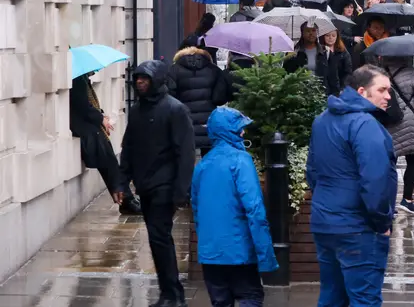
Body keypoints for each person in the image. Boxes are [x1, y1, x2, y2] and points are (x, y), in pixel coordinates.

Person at [307, 65, 397, 306]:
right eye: (382, 90)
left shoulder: (321, 121)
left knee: (331, 295)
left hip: (325, 222)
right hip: (358, 227)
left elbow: (313, 172)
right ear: (361, 91)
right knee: (364, 298)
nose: (388, 96)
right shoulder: (365, 125)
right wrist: (382, 222)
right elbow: (375, 180)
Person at [119, 60, 196, 307]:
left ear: (158, 80)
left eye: (145, 78)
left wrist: (180, 191)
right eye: (137, 78)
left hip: (165, 185)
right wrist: (121, 183)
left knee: (159, 237)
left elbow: (185, 154)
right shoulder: (137, 111)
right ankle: (170, 293)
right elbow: (128, 148)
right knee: (157, 239)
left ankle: (173, 295)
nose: (140, 82)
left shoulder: (175, 110)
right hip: (145, 185)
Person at [191, 107, 278, 307]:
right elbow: (255, 210)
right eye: (240, 129)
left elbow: (196, 210)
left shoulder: (202, 166)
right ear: (230, 132)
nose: (243, 132)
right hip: (239, 252)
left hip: (211, 252)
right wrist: (266, 255)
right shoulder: (241, 161)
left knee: (221, 302)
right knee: (251, 297)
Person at [70, 73, 141, 215]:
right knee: (109, 162)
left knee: (111, 162)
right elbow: (83, 106)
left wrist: (102, 116)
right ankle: (125, 198)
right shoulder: (78, 80)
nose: (95, 72)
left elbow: (89, 106)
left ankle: (125, 198)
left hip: (90, 128)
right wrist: (101, 119)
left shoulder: (82, 79)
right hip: (85, 130)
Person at [382, 57, 414, 214]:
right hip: (409, 121)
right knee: (413, 160)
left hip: (387, 122)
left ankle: (388, 204)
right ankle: (407, 200)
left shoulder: (379, 73)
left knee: (389, 164)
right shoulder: (411, 73)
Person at [168, 47, 231, 157]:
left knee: (185, 156)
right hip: (207, 122)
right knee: (209, 156)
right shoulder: (214, 70)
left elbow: (170, 97)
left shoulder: (173, 70)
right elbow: (219, 99)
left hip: (184, 121)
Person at [283, 22, 331, 93]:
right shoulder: (295, 52)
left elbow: (332, 76)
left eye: (313, 30)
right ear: (302, 33)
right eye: (308, 31)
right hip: (300, 94)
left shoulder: (325, 51)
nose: (311, 33)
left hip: (321, 94)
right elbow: (286, 75)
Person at [321, 30, 352, 96]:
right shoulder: (319, 50)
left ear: (337, 37)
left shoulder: (343, 51)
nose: (330, 38)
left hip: (339, 88)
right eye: (327, 35)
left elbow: (348, 72)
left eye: (333, 35)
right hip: (322, 88)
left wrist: (343, 88)